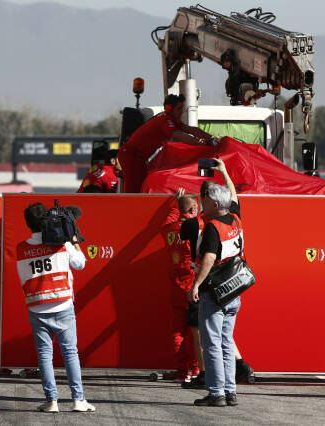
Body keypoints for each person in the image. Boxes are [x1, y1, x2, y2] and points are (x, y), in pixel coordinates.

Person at [16, 202, 95, 413]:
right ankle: (78, 400)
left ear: (28, 224)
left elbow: (23, 276)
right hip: (62, 304)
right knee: (70, 352)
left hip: (36, 306)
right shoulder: (62, 243)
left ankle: (51, 401)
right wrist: (74, 240)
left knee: (44, 355)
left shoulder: (21, 248)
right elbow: (80, 264)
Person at [189, 181, 245, 407]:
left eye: (203, 199)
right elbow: (235, 199)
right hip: (234, 289)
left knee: (212, 343)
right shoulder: (235, 219)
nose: (201, 202)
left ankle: (216, 393)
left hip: (214, 292)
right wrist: (223, 172)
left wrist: (196, 285)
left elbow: (209, 259)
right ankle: (230, 391)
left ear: (213, 204)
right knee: (226, 342)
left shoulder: (213, 227)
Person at [118, 94, 213, 193]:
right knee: (133, 188)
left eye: (182, 108)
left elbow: (191, 130)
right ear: (169, 108)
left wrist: (211, 137)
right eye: (179, 108)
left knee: (140, 185)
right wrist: (205, 142)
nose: (182, 111)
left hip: (137, 157)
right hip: (130, 155)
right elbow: (184, 137)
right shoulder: (164, 120)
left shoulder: (170, 119)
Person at [161, 189, 200, 382]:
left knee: (177, 332)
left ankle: (181, 372)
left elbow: (167, 221)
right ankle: (194, 369)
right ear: (193, 209)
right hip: (193, 288)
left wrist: (176, 205)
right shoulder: (198, 226)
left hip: (175, 289)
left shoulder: (169, 228)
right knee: (194, 331)